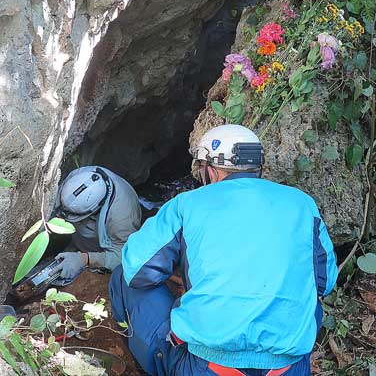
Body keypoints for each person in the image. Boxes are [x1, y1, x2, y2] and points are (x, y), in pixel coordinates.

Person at [109, 124, 338, 376]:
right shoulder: (302, 204)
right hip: (287, 368)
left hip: (207, 367)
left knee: (123, 277)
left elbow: (137, 268)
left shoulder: (188, 204)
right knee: (312, 304)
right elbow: (324, 283)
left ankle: (127, 351)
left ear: (210, 168)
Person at [50, 166, 142, 283]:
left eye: (73, 214)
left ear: (95, 209)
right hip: (79, 238)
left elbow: (124, 256)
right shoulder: (79, 177)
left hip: (101, 246)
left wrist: (85, 259)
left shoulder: (123, 218)